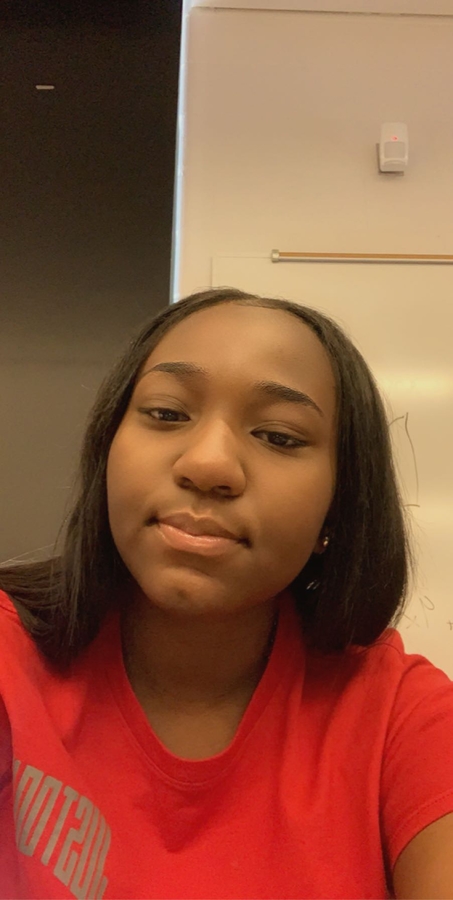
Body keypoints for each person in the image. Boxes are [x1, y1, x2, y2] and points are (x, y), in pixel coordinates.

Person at [1, 288, 453, 900]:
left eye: (279, 436)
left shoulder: (404, 718)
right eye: (166, 414)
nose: (209, 464)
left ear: (338, 506)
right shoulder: (10, 662)